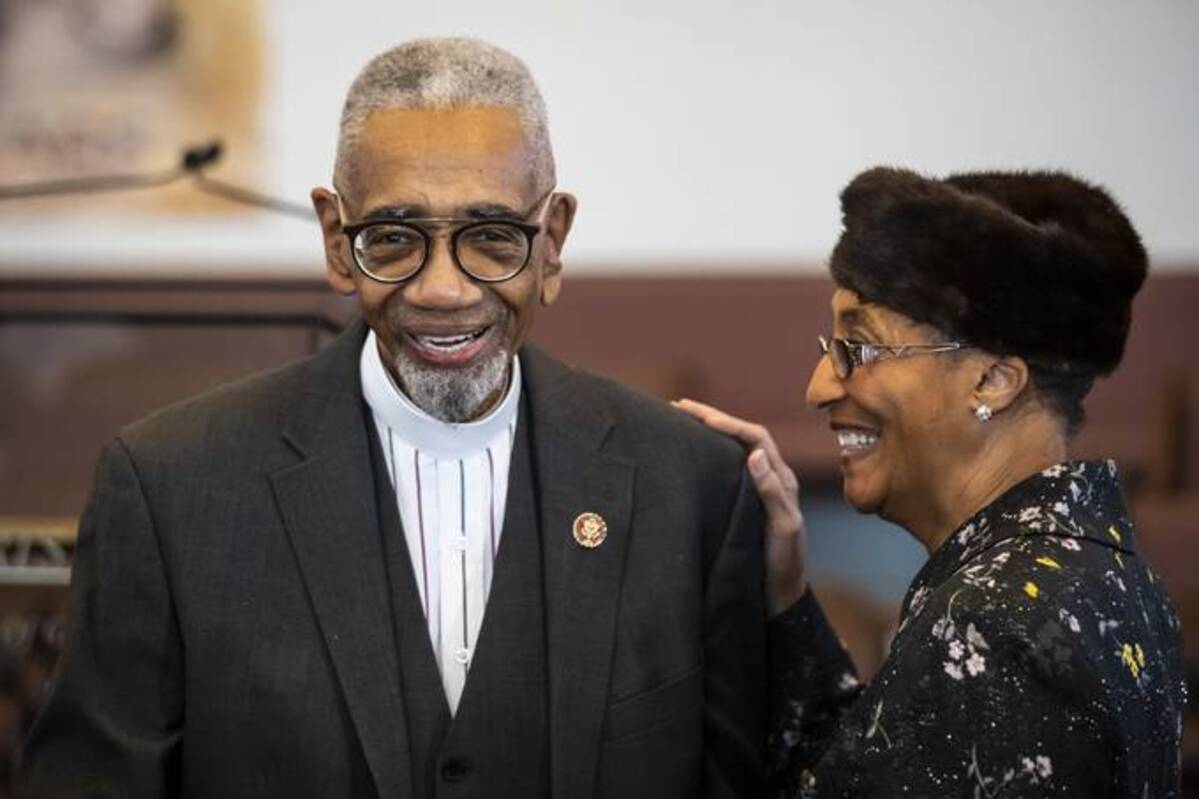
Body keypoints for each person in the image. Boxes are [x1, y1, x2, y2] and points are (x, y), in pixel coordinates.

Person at [23, 37, 814, 798]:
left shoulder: (691, 487)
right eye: (395, 238)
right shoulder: (169, 487)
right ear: (337, 240)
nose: (443, 289)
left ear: (553, 242)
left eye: (492, 236)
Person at [679, 167, 1187, 797]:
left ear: (993, 382)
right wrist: (785, 596)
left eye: (857, 350)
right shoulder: (1106, 574)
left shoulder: (995, 623)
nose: (818, 386)